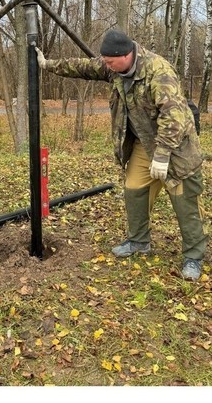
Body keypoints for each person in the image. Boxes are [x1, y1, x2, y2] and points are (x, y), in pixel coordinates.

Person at [36, 28, 206, 281]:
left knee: (185, 203)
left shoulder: (158, 72)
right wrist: (47, 64)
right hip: (141, 146)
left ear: (127, 55)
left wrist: (162, 154)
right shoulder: (113, 67)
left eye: (110, 61)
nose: (106, 65)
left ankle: (193, 256)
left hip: (176, 149)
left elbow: (174, 116)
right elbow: (82, 66)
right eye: (105, 61)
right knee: (134, 190)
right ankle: (139, 242)